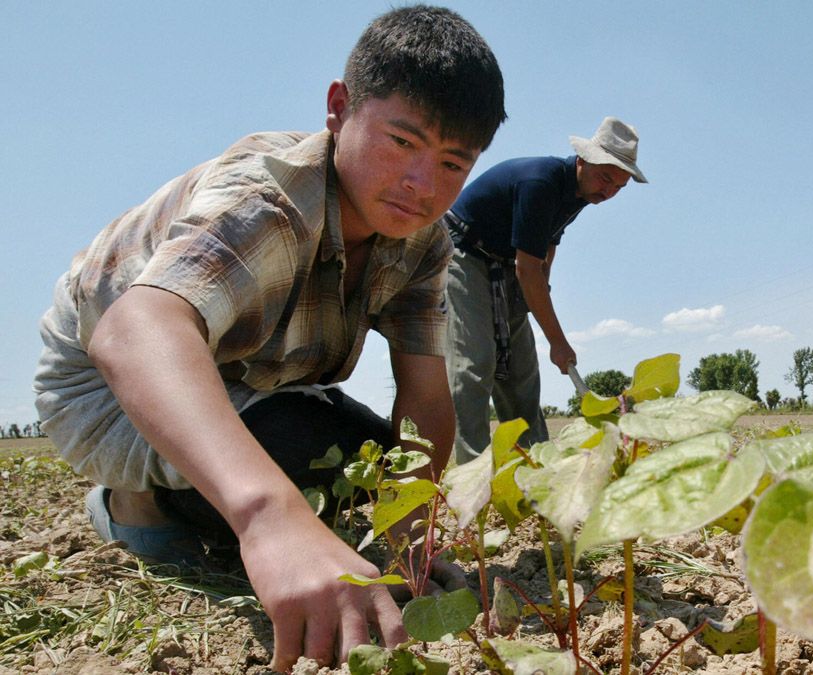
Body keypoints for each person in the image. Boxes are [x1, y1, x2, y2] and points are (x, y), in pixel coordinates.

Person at [31, 6, 505, 670]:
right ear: (339, 108)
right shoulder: (270, 201)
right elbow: (135, 329)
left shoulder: (424, 242)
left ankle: (227, 495)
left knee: (365, 465)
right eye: (402, 142)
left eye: (453, 163)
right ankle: (134, 503)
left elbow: (425, 396)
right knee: (287, 466)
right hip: (109, 383)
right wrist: (267, 516)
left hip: (246, 378)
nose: (420, 186)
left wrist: (407, 536)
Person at [440, 117, 647, 462]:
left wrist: (538, 293)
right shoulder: (541, 183)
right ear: (583, 160)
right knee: (474, 365)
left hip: (508, 264)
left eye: (619, 187)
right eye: (606, 178)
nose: (609, 192)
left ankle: (537, 466)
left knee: (522, 371)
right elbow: (528, 269)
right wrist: (557, 341)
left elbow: (546, 251)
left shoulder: (581, 193)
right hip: (464, 252)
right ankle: (470, 474)